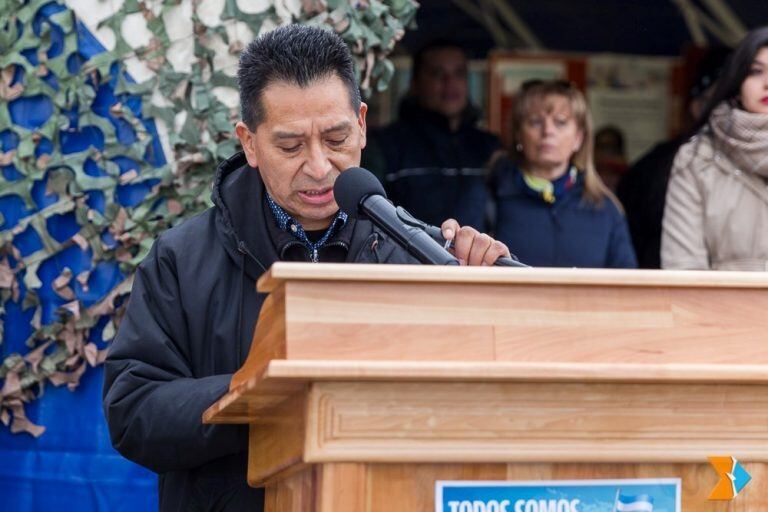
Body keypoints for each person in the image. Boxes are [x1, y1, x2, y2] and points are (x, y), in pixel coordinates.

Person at [102, 25, 511, 512]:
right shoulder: (181, 258)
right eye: (291, 147)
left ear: (361, 123)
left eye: (336, 138)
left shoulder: (419, 252)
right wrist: (256, 393)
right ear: (249, 144)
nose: (319, 167)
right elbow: (132, 414)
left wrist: (484, 289)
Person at [490, 80, 637, 268]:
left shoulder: (606, 209)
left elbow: (626, 287)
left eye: (560, 122)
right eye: (535, 121)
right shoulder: (489, 195)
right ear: (518, 134)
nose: (548, 131)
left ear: (579, 138)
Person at [362, 40, 501, 230]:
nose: (450, 83)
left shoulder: (490, 148)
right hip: (404, 259)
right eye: (437, 74)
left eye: (459, 73)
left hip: (476, 259)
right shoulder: (385, 145)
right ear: (415, 83)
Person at [662, 27, 768, 271]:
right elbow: (683, 268)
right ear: (738, 81)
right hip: (722, 308)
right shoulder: (697, 158)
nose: (767, 83)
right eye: (756, 71)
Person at [617, 48, 729, 268]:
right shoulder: (664, 165)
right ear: (697, 107)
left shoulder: (753, 163)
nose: (730, 112)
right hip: (667, 288)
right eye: (720, 102)